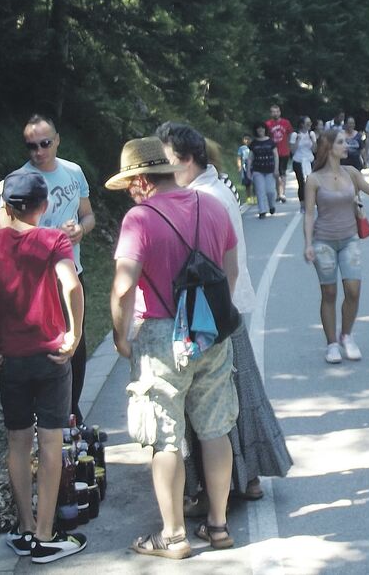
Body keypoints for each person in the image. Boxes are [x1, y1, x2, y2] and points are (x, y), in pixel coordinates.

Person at [108, 137, 239, 559]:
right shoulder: (213, 206)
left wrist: (120, 336)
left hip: (162, 334)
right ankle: (218, 526)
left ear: (143, 180)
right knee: (216, 428)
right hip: (210, 330)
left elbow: (124, 285)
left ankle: (174, 536)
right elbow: (230, 271)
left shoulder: (139, 219)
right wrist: (210, 321)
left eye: (131, 184)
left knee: (165, 437)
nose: (131, 192)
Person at [155, 123, 292, 510]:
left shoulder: (202, 197)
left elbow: (207, 263)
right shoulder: (217, 187)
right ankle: (246, 479)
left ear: (186, 159)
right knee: (238, 398)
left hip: (212, 312)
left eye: (167, 162)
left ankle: (229, 484)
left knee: (220, 405)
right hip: (225, 306)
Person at [0, 169, 86, 564]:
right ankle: (46, 535)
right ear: (43, 207)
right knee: (49, 442)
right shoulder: (53, 239)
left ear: (6, 208)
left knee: (16, 441)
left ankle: (25, 527)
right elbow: (72, 285)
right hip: (50, 357)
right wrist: (74, 335)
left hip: (8, 360)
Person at [0, 115, 95, 428]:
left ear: (57, 140)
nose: (38, 151)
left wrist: (80, 229)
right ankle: (47, 419)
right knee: (45, 349)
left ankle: (72, 412)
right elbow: (4, 231)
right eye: (31, 146)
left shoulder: (73, 171)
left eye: (44, 143)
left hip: (71, 270)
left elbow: (89, 215)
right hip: (36, 280)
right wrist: (43, 237)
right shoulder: (17, 181)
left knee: (76, 344)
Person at [304, 128, 369, 363]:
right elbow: (309, 214)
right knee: (329, 293)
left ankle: (346, 336)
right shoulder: (314, 179)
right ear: (329, 147)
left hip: (349, 239)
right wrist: (308, 243)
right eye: (341, 142)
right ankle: (331, 344)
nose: (347, 145)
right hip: (323, 242)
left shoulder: (351, 173)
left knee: (353, 291)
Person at [264, 104, 293, 203]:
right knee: (275, 174)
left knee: (283, 173)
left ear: (280, 112)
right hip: (273, 152)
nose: (275, 113)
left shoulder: (286, 123)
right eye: (273, 111)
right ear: (271, 113)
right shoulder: (267, 124)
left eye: (277, 111)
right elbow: (266, 138)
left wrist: (290, 147)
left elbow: (290, 135)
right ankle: (278, 193)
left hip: (284, 151)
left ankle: (282, 193)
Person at [249, 122, 279, 218]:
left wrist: (276, 169)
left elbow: (276, 156)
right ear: (256, 130)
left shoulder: (271, 142)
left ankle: (271, 205)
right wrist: (248, 171)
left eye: (262, 128)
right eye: (258, 128)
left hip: (270, 170)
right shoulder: (253, 144)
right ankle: (262, 211)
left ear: (265, 129)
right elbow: (250, 158)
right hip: (258, 170)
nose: (260, 130)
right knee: (260, 191)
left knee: (270, 191)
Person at [290, 116, 317, 212]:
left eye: (310, 122)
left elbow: (314, 149)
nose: (309, 125)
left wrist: (313, 140)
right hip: (299, 160)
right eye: (307, 123)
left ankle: (312, 202)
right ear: (302, 124)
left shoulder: (311, 134)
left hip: (309, 160)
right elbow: (292, 150)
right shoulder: (295, 135)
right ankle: (302, 204)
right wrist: (298, 140)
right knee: (301, 184)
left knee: (312, 182)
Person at [236, 134, 254, 203]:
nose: (247, 141)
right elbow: (239, 158)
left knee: (255, 183)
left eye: (248, 139)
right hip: (245, 168)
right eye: (245, 139)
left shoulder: (253, 147)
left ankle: (255, 197)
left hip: (253, 167)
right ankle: (249, 198)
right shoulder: (241, 148)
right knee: (247, 184)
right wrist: (239, 166)